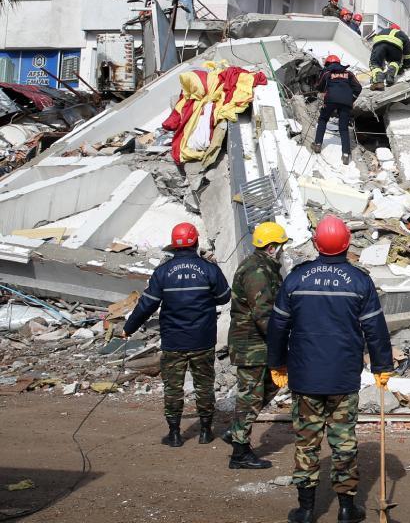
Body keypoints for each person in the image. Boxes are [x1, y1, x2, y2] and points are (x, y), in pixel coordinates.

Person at [267, 216, 393, 523]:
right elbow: (375, 329)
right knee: (344, 442)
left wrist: (276, 362)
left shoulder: (296, 279)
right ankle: (347, 510)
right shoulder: (359, 281)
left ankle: (307, 510)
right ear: (347, 244)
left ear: (316, 244)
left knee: (307, 444)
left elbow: (277, 326)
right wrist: (382, 365)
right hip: (343, 378)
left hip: (305, 377)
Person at [121, 223, 230, 448]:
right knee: (204, 386)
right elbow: (224, 297)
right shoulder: (209, 269)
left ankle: (174, 434)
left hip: (173, 342)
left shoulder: (163, 272)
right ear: (196, 243)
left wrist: (129, 328)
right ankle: (206, 432)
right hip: (202, 340)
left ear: (174, 245)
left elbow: (146, 305)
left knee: (173, 388)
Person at [224, 221, 290, 470]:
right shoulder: (257, 272)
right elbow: (264, 315)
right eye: (281, 246)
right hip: (251, 345)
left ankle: (236, 431)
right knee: (249, 397)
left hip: (259, 344)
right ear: (272, 248)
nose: (283, 251)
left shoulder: (266, 267)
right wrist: (281, 344)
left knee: (271, 386)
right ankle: (239, 453)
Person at [312, 54, 361, 166]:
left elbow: (319, 86)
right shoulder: (348, 73)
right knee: (343, 128)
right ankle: (346, 154)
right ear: (339, 63)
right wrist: (351, 98)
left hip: (330, 100)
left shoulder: (327, 73)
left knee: (323, 119)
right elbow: (358, 87)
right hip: (346, 103)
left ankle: (318, 144)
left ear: (328, 64)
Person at [368, 24, 406, 90]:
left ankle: (378, 82)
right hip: (395, 49)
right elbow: (407, 52)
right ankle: (390, 77)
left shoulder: (382, 32)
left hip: (379, 46)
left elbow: (375, 45)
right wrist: (406, 64)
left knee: (374, 63)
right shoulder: (401, 35)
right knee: (395, 61)